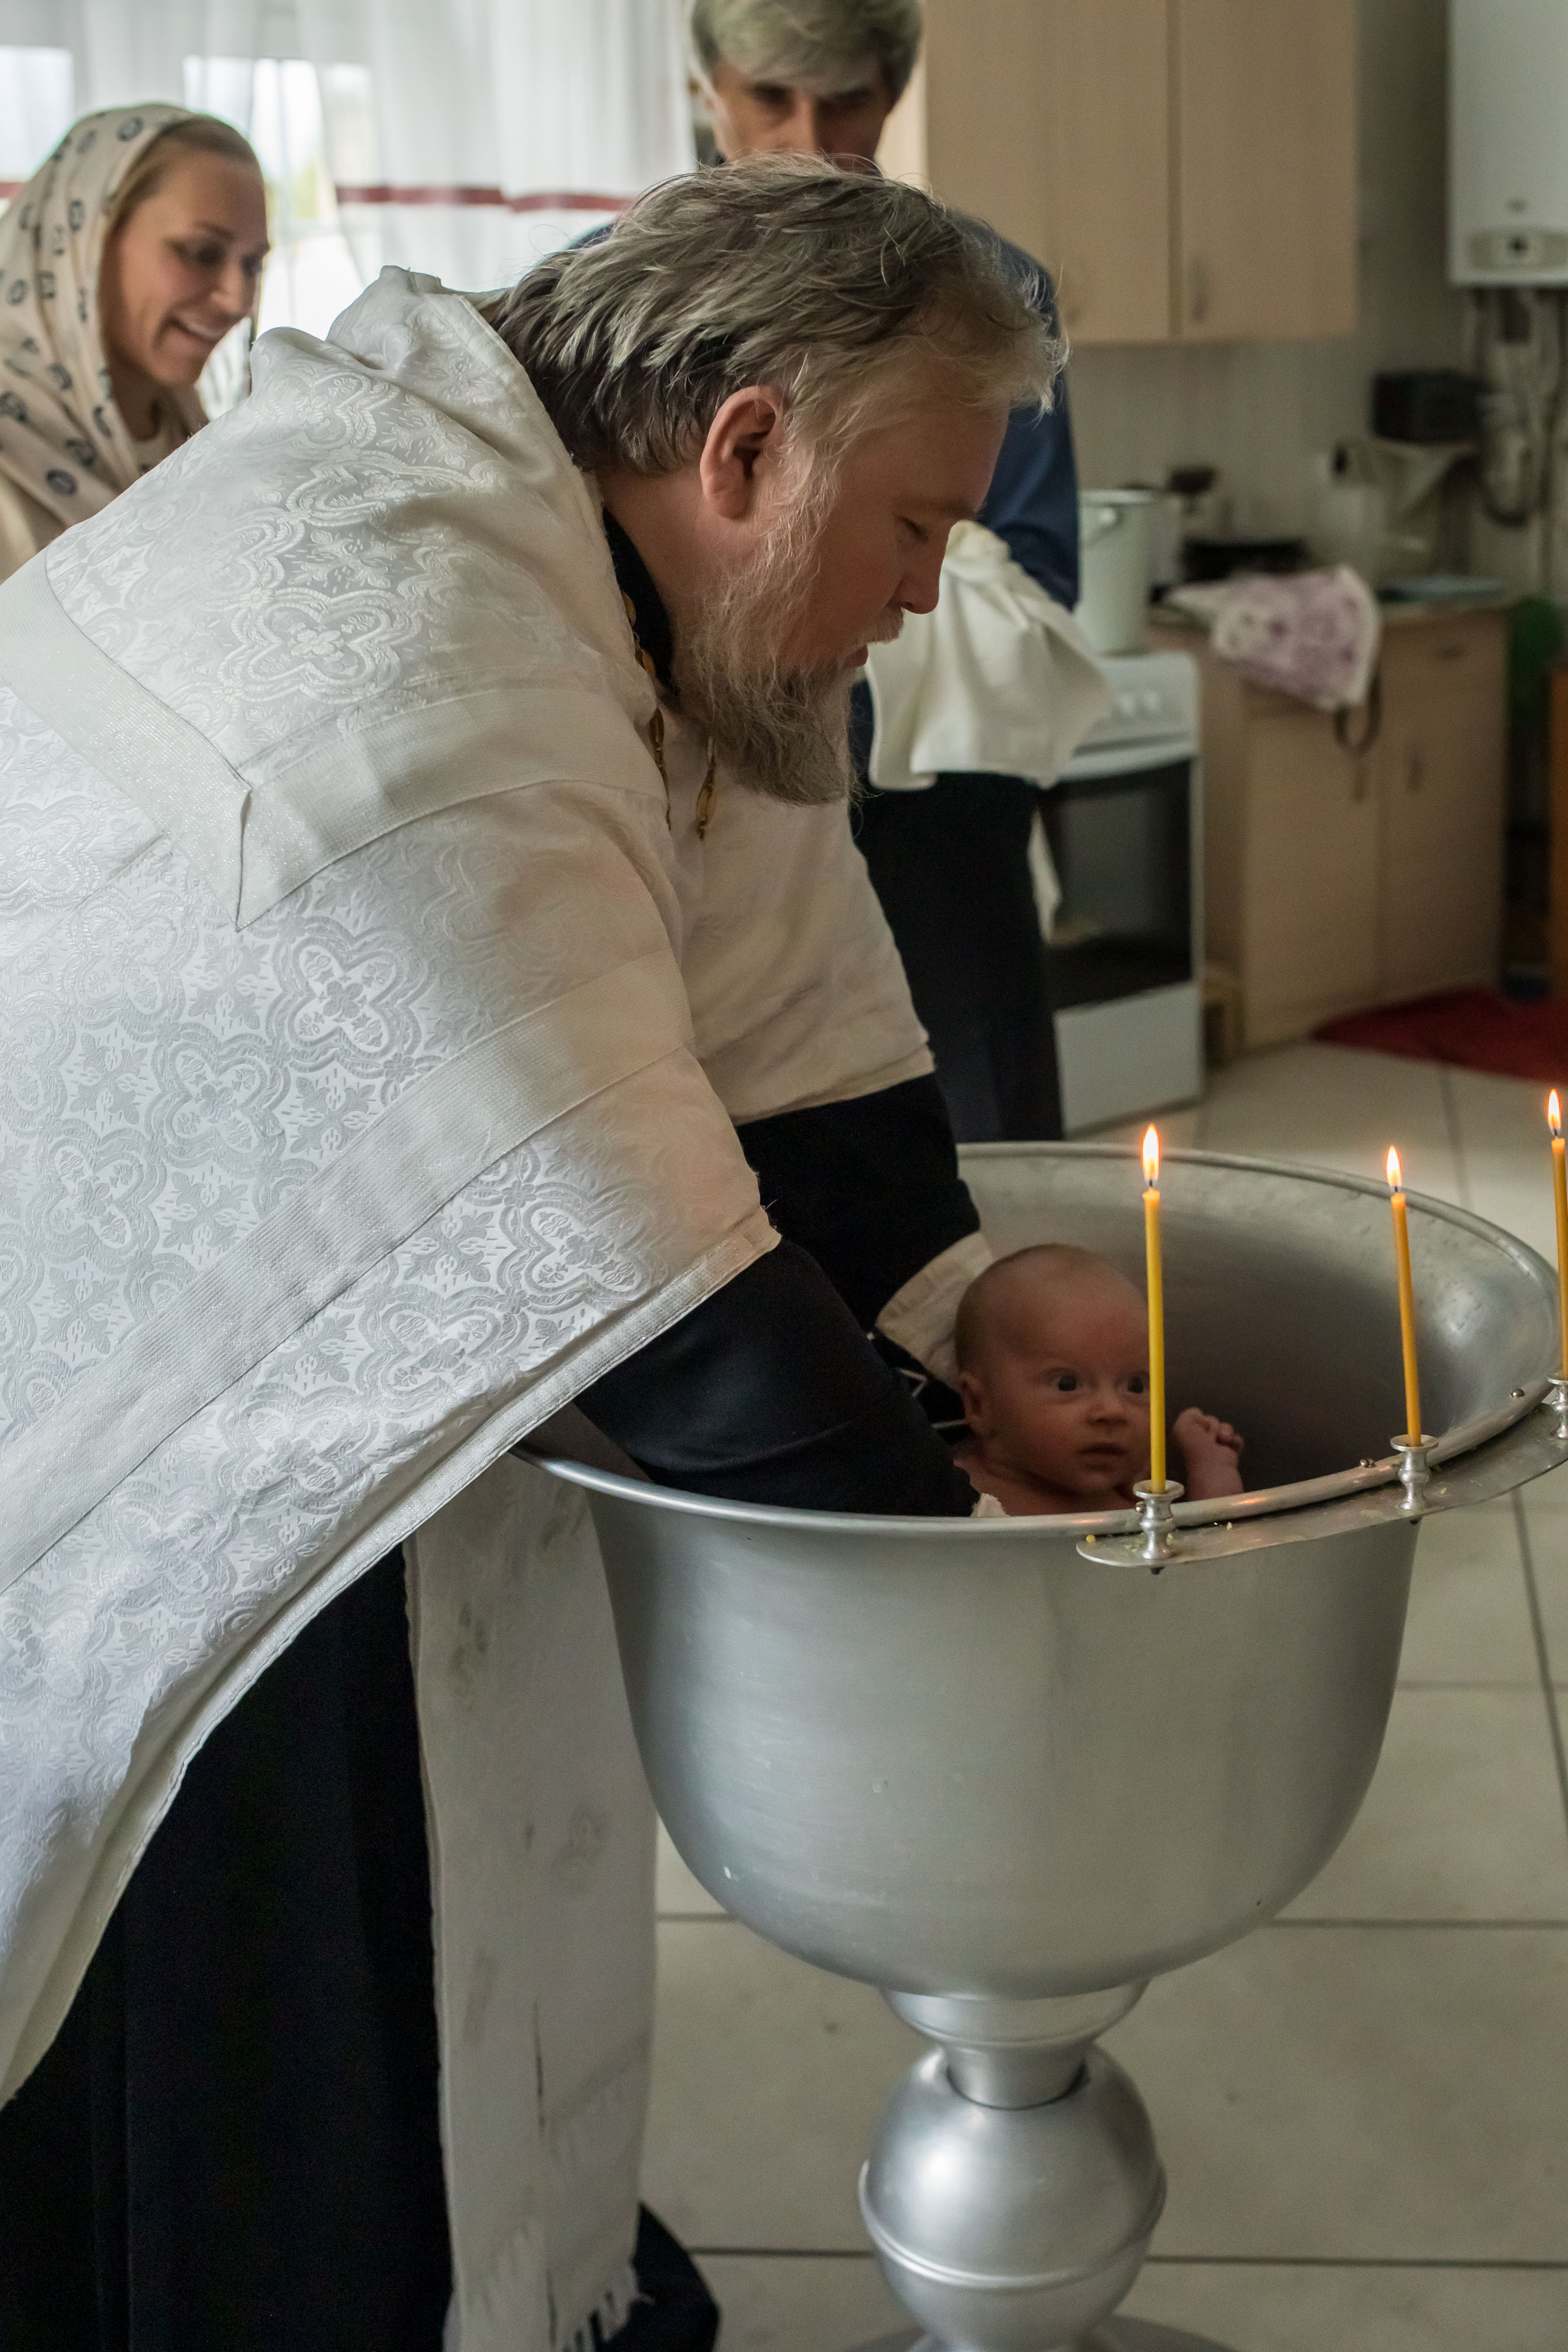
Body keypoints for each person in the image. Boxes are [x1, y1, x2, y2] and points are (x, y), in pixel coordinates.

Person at [0, 157, 1050, 2351]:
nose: (924, 594)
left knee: (461, 2008)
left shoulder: (598, 556)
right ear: (750, 449)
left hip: (327, 1369)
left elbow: (779, 1022)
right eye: (918, 533)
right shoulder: (408, 636)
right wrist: (986, 1555)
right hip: (168, 1435)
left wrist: (977, 1306)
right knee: (290, 2037)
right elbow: (659, 1296)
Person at [690, 0, 1087, 1143]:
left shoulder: (989, 291)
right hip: (710, 814)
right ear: (711, 87)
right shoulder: (622, 286)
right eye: (771, 99)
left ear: (895, 93)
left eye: (846, 100)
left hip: (934, 811)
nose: (809, 137)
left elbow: (1035, 573)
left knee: (984, 1161)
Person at [0, 104, 267, 581]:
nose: (238, 299)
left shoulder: (191, 433)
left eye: (252, 265)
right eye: (201, 253)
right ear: (84, 242)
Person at [953, 1245, 1246, 1515]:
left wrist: (1211, 1478)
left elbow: (1211, 1559)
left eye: (1135, 1386)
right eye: (1067, 1384)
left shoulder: (1133, 1492)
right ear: (980, 1405)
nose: (1112, 1412)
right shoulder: (956, 1492)